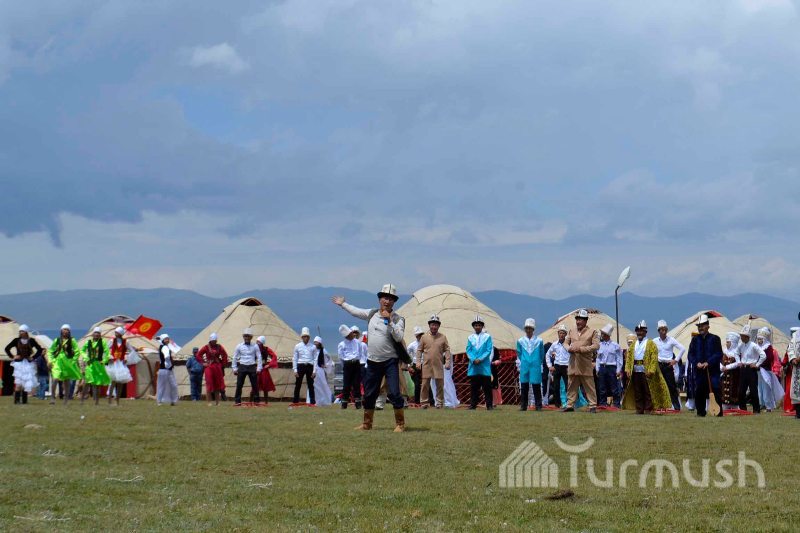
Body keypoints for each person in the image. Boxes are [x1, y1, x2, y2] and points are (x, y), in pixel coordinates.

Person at [332, 284, 407, 432]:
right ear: (380, 299)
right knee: (370, 393)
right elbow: (356, 311)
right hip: (373, 361)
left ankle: (400, 424)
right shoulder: (372, 314)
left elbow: (399, 337)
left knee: (394, 392)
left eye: (391, 299)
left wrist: (390, 321)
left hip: (390, 361)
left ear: (394, 302)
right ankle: (367, 424)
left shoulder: (399, 319)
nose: (387, 301)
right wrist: (343, 304)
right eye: (385, 298)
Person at [621, 321, 671, 414]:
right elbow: (629, 358)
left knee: (648, 390)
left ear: (645, 332)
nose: (639, 333)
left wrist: (651, 370)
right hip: (635, 370)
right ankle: (639, 409)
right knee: (637, 390)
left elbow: (654, 357)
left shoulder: (651, 343)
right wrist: (627, 369)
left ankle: (648, 408)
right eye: (638, 331)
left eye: (641, 331)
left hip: (646, 370)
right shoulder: (633, 344)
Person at [687, 314, 724, 417]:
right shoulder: (695, 340)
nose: (700, 328)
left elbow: (718, 354)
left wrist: (708, 362)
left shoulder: (715, 338)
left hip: (712, 371)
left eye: (702, 326)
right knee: (699, 391)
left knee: (715, 389)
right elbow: (690, 354)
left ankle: (718, 412)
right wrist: (696, 363)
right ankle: (700, 412)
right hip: (699, 371)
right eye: (699, 326)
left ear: (708, 326)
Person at [564, 309, 600, 413]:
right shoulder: (571, 331)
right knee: (571, 385)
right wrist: (569, 348)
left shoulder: (593, 332)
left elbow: (596, 346)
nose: (578, 322)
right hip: (573, 363)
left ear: (585, 321)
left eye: (580, 320)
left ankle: (592, 406)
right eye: (577, 319)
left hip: (585, 364)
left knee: (589, 386)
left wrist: (581, 349)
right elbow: (565, 343)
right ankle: (569, 405)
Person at [417, 314, 452, 409]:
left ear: (439, 326)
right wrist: (418, 361)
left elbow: (447, 350)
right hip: (426, 364)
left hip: (438, 364)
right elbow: (419, 350)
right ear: (429, 325)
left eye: (436, 325)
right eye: (432, 324)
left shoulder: (443, 337)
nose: (434, 327)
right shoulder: (424, 337)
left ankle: (439, 403)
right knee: (425, 384)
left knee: (440, 384)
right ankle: (424, 402)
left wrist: (448, 362)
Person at [5, 324, 43, 404]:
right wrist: (13, 356)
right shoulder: (16, 340)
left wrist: (33, 357)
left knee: (26, 383)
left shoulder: (31, 340)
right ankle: (17, 401)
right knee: (18, 382)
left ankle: (24, 401)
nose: (20, 332)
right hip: (19, 364)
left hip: (28, 364)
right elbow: (7, 348)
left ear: (26, 332)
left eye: (22, 331)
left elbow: (40, 350)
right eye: (20, 331)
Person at [653, 320, 685, 410]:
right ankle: (660, 406)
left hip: (668, 365)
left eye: (665, 329)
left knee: (671, 386)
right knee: (659, 385)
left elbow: (682, 348)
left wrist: (676, 360)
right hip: (659, 365)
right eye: (662, 329)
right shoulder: (654, 341)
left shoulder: (671, 340)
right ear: (658, 331)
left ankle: (676, 407)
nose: (663, 331)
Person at [48, 325, 82, 406]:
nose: (65, 331)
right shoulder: (57, 340)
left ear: (69, 331)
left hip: (67, 362)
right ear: (61, 331)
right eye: (64, 329)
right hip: (57, 362)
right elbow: (50, 351)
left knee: (66, 381)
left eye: (67, 329)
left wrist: (73, 360)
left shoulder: (72, 340)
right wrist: (50, 361)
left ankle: (66, 399)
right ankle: (52, 397)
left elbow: (77, 351)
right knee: (55, 378)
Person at [466, 315, 493, 410]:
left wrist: (480, 359)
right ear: (473, 326)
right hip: (474, 366)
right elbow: (468, 350)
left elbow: (488, 350)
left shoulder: (487, 337)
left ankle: (489, 405)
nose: (477, 327)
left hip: (484, 366)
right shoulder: (470, 337)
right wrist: (473, 359)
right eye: (476, 325)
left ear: (482, 326)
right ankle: (473, 405)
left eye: (479, 325)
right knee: (474, 387)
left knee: (487, 387)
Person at [517, 318, 544, 411]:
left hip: (535, 365)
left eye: (530, 328)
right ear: (525, 329)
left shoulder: (539, 341)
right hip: (525, 365)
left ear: (533, 329)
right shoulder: (520, 341)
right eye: (527, 328)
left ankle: (538, 405)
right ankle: (523, 406)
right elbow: (519, 353)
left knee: (536, 386)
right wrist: (524, 360)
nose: (528, 330)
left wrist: (537, 362)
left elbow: (542, 354)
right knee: (524, 386)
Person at [232, 328, 262, 406]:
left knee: (255, 385)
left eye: (248, 336)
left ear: (251, 337)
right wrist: (234, 368)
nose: (247, 337)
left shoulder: (255, 346)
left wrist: (259, 368)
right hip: (242, 366)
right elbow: (234, 357)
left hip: (252, 366)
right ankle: (237, 401)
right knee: (239, 385)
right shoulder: (239, 346)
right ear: (243, 337)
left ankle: (256, 402)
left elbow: (259, 357)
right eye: (245, 336)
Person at [80, 327, 110, 405]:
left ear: (100, 335)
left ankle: (96, 402)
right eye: (95, 333)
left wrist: (104, 361)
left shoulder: (103, 342)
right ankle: (82, 400)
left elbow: (107, 353)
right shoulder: (88, 342)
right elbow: (82, 351)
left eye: (98, 333)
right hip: (90, 365)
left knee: (97, 384)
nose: (96, 334)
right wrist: (86, 358)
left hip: (98, 365)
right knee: (87, 382)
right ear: (92, 334)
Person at [756, 327, 783, 412]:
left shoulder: (768, 347)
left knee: (766, 389)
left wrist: (760, 364)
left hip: (765, 371)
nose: (759, 341)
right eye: (758, 339)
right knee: (760, 388)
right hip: (758, 371)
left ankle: (769, 406)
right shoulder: (757, 347)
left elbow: (769, 358)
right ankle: (762, 404)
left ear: (764, 339)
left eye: (760, 339)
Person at [595, 324, 622, 409]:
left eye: (603, 334)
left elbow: (619, 358)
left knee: (614, 386)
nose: (602, 335)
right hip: (602, 367)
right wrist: (597, 368)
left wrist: (618, 370)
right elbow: (598, 358)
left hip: (612, 367)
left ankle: (616, 404)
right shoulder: (600, 345)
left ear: (607, 335)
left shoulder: (615, 345)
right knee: (602, 386)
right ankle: (602, 404)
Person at [106, 326, 135, 406]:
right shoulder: (112, 340)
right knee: (112, 382)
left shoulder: (125, 342)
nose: (116, 333)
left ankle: (117, 400)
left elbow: (132, 350)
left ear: (121, 333)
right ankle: (109, 400)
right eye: (115, 332)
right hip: (113, 363)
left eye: (117, 332)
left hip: (121, 363)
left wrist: (127, 358)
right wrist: (109, 357)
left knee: (120, 383)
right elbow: (106, 349)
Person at [197, 333, 228, 405]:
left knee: (217, 384)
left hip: (217, 367)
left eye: (215, 340)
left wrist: (223, 364)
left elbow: (225, 355)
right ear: (210, 340)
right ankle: (209, 402)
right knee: (209, 383)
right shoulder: (206, 347)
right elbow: (198, 355)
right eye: (212, 340)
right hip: (209, 367)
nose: (214, 341)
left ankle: (217, 402)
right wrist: (203, 363)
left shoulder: (219, 347)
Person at [337, 325, 363, 409]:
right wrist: (345, 365)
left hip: (356, 363)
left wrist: (357, 361)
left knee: (356, 383)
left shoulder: (357, 342)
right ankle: (344, 403)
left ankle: (358, 403)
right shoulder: (341, 344)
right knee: (346, 384)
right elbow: (340, 357)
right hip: (347, 364)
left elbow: (360, 353)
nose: (353, 335)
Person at [546, 325, 570, 408]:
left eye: (563, 333)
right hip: (557, 366)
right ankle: (557, 404)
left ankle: (568, 403)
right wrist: (550, 366)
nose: (561, 335)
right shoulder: (554, 344)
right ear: (558, 334)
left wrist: (570, 366)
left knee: (567, 386)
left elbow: (572, 356)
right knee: (556, 386)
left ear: (566, 334)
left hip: (566, 366)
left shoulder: (568, 344)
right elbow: (547, 354)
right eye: (560, 333)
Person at [292, 327, 316, 405]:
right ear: (302, 337)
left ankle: (312, 402)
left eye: (307, 336)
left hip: (310, 366)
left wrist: (314, 371)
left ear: (309, 337)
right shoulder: (297, 346)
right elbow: (295, 358)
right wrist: (295, 370)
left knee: (311, 385)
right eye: (304, 336)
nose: (306, 338)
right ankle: (295, 401)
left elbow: (315, 359)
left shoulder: (313, 347)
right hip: (300, 365)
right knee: (298, 384)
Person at [720, 332, 742, 410]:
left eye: (728, 342)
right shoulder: (724, 352)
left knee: (734, 389)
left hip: (734, 375)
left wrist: (728, 367)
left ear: (733, 343)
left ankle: (734, 405)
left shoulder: (738, 352)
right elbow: (719, 361)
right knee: (724, 388)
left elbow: (738, 363)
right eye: (726, 342)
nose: (726, 344)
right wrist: (721, 367)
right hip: (725, 375)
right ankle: (725, 404)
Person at [310, 336, 334, 406]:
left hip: (320, 370)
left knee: (322, 385)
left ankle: (325, 400)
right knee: (314, 385)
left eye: (316, 342)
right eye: (314, 342)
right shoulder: (312, 350)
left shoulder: (323, 351)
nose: (315, 343)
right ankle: (314, 401)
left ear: (319, 343)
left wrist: (326, 365)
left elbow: (329, 359)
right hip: (313, 369)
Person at [156, 334, 178, 406]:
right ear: (163, 340)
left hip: (169, 369)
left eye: (168, 339)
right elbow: (166, 356)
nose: (168, 340)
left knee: (173, 385)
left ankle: (173, 401)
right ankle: (159, 401)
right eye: (166, 339)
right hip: (164, 369)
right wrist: (168, 359)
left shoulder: (165, 346)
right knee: (162, 385)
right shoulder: (164, 347)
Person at [256, 336, 278, 403]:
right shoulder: (254, 348)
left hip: (263, 368)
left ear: (262, 342)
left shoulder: (266, 349)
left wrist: (269, 365)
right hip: (256, 368)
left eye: (259, 342)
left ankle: (266, 402)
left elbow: (274, 356)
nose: (257, 343)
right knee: (255, 385)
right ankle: (253, 401)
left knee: (265, 385)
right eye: (257, 341)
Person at [407, 326, 425, 405]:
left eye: (421, 334)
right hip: (415, 364)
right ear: (416, 336)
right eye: (418, 335)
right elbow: (406, 355)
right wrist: (409, 366)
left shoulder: (426, 344)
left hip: (425, 364)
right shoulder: (412, 345)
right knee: (417, 384)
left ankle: (430, 401)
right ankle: (417, 401)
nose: (420, 336)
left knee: (427, 383)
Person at [787, 329, 800, 418]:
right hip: (797, 367)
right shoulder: (796, 335)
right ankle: (798, 413)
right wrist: (793, 358)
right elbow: (790, 348)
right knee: (797, 391)